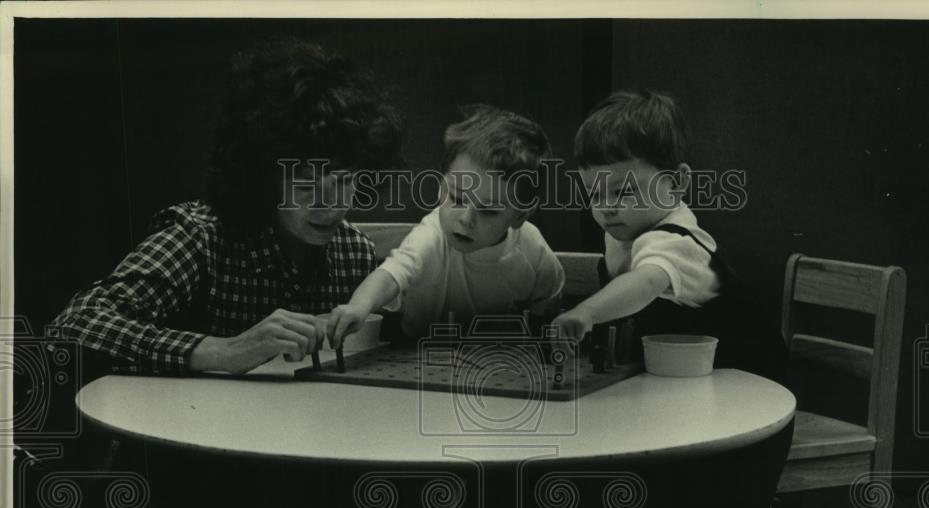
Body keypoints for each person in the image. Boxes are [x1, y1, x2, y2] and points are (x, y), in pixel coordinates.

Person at [50, 39, 402, 375]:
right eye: (304, 181)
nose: (330, 205)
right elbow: (75, 323)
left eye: (344, 179)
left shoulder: (353, 252)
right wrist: (223, 350)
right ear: (264, 175)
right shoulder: (200, 237)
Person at [553, 89, 786, 383]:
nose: (607, 207)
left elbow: (647, 282)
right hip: (682, 375)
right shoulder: (626, 226)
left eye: (625, 191)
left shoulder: (677, 240)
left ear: (677, 183)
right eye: (594, 194)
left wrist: (587, 311)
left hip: (745, 380)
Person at [325, 105, 564, 345]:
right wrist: (358, 306)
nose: (466, 219)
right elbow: (390, 275)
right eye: (457, 198)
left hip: (495, 360)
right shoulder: (430, 237)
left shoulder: (533, 250)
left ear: (519, 216)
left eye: (489, 211)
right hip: (415, 355)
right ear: (441, 187)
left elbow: (549, 304)